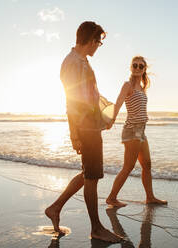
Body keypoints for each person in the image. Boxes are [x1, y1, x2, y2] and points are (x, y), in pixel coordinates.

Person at [45, 21, 122, 243]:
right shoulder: (72, 63)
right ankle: (96, 228)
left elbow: (90, 96)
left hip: (91, 124)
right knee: (92, 175)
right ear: (90, 40)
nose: (98, 46)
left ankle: (55, 207)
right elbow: (72, 100)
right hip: (84, 127)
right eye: (98, 42)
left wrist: (103, 116)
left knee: (89, 173)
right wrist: (74, 134)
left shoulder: (82, 62)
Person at [106, 56, 167, 207]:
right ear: (131, 67)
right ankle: (111, 198)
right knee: (128, 166)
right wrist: (111, 119)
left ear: (144, 69)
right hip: (132, 130)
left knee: (147, 164)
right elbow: (119, 102)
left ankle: (150, 197)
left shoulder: (142, 87)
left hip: (141, 131)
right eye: (135, 65)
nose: (138, 68)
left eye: (141, 66)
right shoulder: (127, 85)